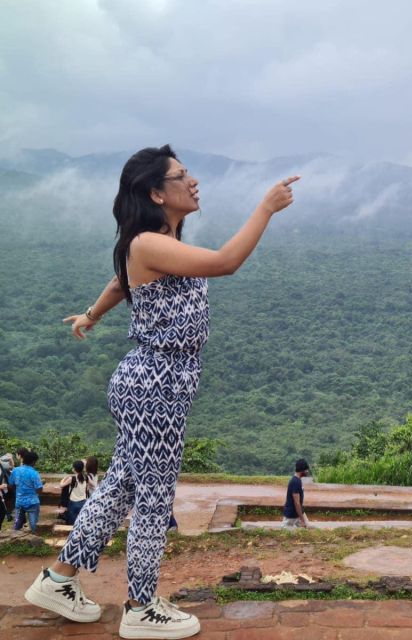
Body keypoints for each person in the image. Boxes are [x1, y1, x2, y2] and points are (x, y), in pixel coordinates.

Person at [23, 145, 299, 639]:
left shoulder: (156, 242)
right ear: (155, 192)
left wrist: (92, 314)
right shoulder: (148, 242)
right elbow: (225, 262)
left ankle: (59, 578)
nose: (192, 181)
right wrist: (266, 207)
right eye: (180, 176)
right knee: (153, 498)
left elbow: (119, 281)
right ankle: (141, 606)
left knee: (122, 488)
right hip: (156, 384)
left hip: (155, 383)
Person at [9, 449, 43, 533]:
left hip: (19, 501)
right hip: (32, 502)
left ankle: (15, 539)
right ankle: (34, 540)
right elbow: (39, 489)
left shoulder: (15, 470)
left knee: (17, 524)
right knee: (33, 525)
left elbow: (11, 484)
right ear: (33, 462)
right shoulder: (34, 473)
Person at [59, 461, 90, 526]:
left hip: (73, 503)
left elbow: (61, 485)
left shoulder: (72, 478)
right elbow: (87, 489)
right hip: (83, 502)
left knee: (72, 522)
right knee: (81, 521)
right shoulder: (86, 477)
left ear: (74, 468)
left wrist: (63, 479)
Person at [282, 459, 311, 528]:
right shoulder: (295, 482)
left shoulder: (298, 480)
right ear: (302, 470)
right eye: (306, 470)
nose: (307, 471)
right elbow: (296, 502)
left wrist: (302, 516)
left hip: (297, 513)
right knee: (286, 533)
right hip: (291, 515)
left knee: (307, 528)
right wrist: (302, 520)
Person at [0, 452, 14, 527]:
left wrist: (11, 459)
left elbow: (11, 467)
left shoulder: (2, 464)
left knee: (2, 512)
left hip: (2, 494)